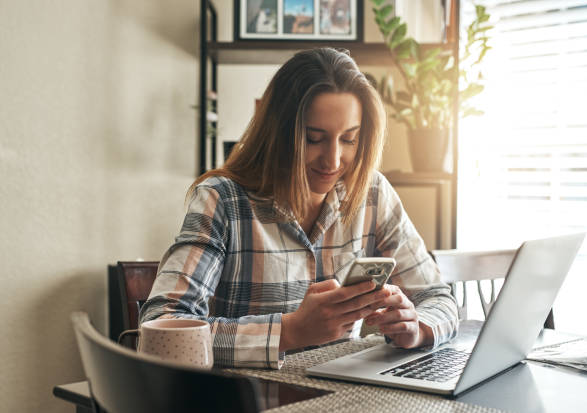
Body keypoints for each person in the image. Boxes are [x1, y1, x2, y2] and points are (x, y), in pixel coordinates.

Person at [139, 48, 458, 369]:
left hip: (344, 397)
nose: (332, 161)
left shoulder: (372, 193)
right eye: (313, 138)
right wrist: (289, 332)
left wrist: (415, 328)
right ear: (278, 134)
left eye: (349, 139)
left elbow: (441, 301)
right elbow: (159, 330)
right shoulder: (223, 200)